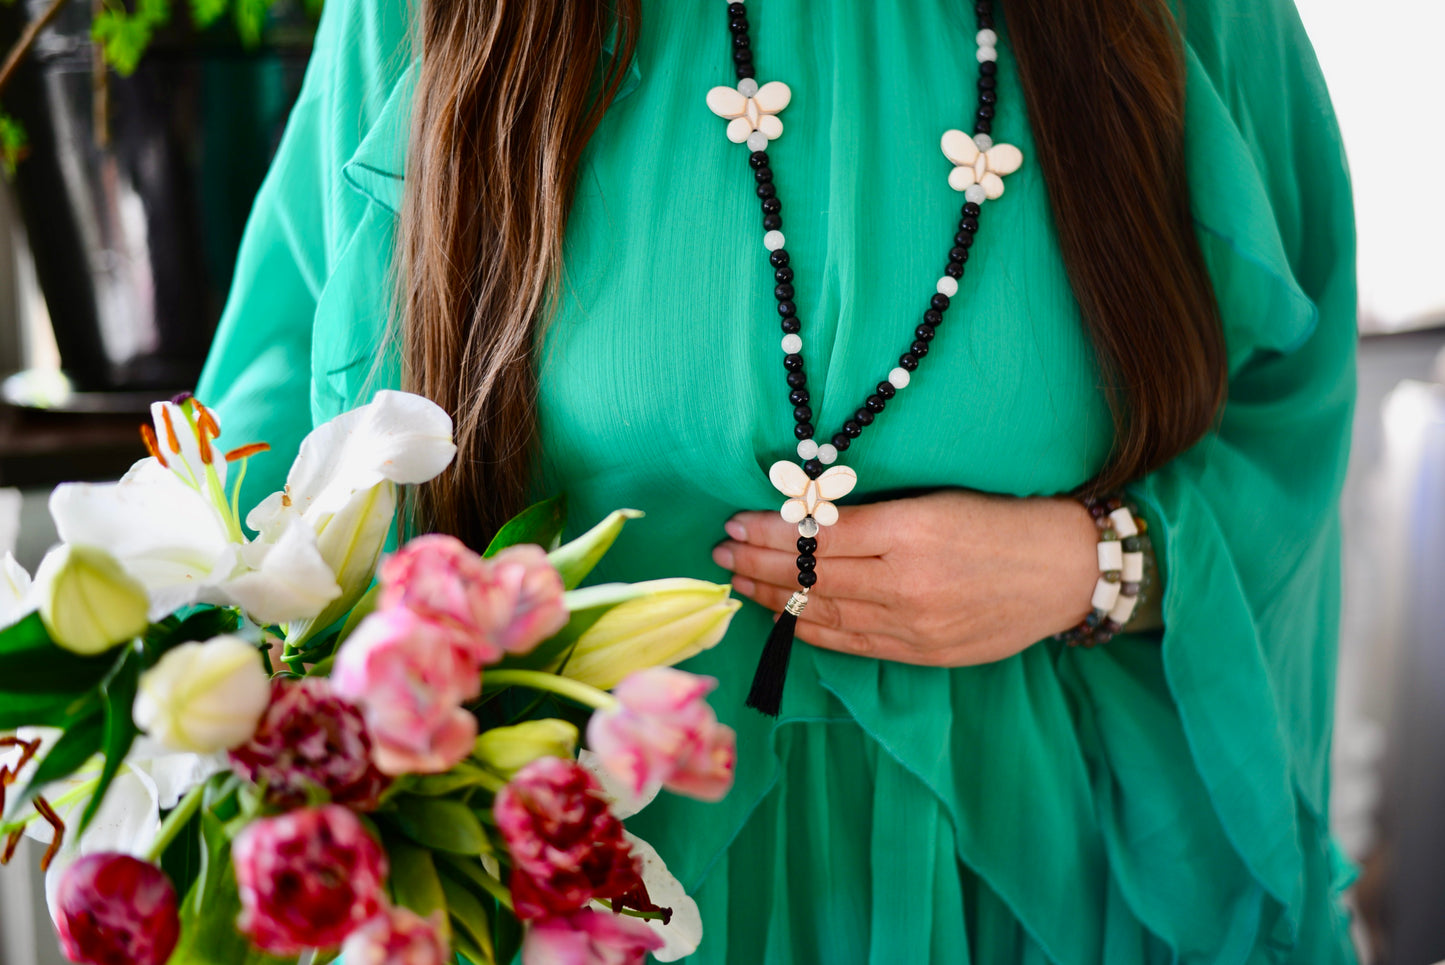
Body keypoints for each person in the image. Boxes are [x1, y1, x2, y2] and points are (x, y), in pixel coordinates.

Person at [198, 0, 1358, 960]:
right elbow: (275, 476)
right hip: (595, 884)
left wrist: (1088, 563)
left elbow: (1283, 416)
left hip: (1046, 881)